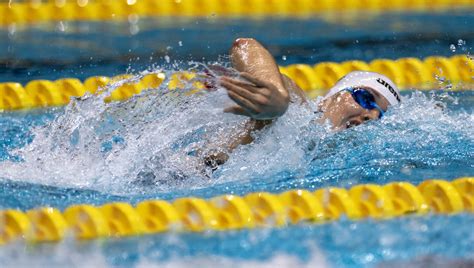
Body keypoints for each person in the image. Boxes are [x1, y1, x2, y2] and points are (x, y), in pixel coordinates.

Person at [203, 38, 401, 169]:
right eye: (365, 98)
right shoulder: (298, 111)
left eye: (380, 114)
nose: (372, 115)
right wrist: (278, 99)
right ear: (328, 98)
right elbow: (245, 46)